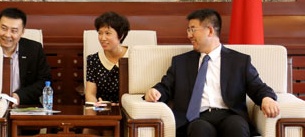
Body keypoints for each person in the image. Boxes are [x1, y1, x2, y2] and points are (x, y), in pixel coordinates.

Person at [144, 8, 280, 137]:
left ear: (209, 31)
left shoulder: (239, 61)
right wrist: (155, 91)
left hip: (230, 115)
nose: (188, 35)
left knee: (237, 127)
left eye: (192, 29)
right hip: (197, 118)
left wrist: (266, 99)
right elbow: (166, 86)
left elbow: (258, 87)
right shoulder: (181, 62)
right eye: (188, 30)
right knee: (199, 130)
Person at [0, 7, 51, 105]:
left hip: (24, 105)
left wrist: (20, 96)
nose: (7, 35)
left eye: (14, 31)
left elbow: (44, 81)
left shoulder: (34, 49)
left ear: (22, 32)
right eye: (3, 28)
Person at [85, 11, 130, 104]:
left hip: (129, 109)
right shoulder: (93, 60)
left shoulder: (133, 57)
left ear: (120, 35)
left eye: (107, 33)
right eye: (100, 33)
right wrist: (97, 104)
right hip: (102, 110)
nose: (102, 38)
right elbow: (90, 94)